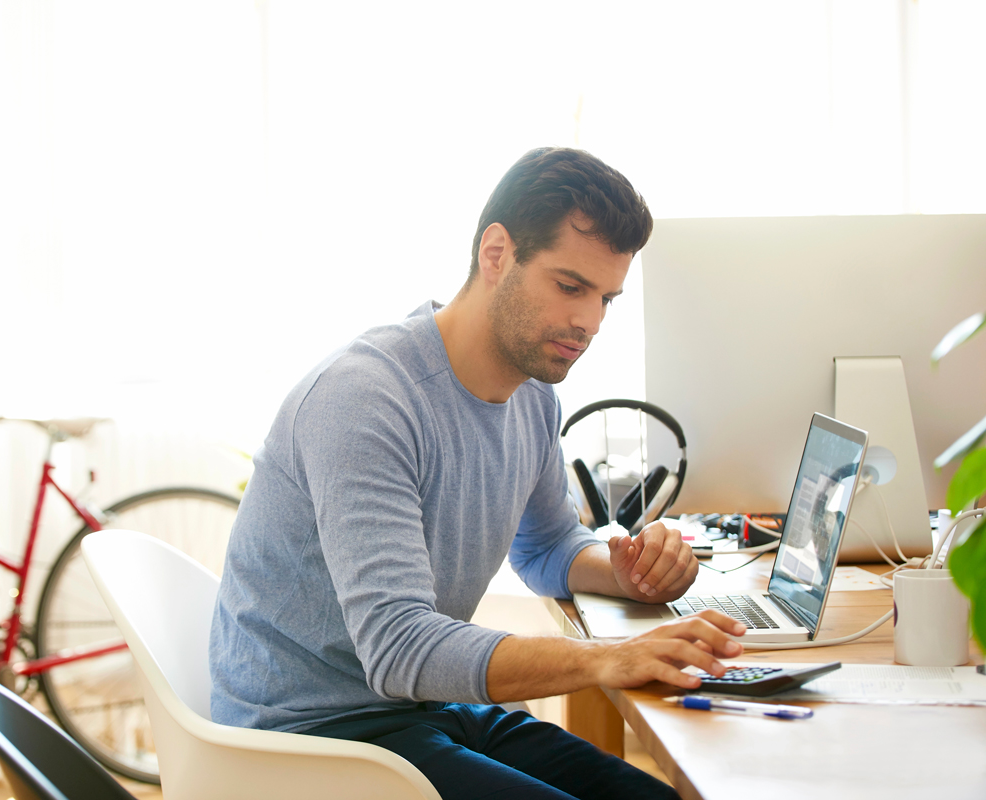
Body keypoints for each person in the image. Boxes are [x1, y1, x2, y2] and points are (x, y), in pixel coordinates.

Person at [210, 147, 746, 800]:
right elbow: (400, 648)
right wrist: (606, 657)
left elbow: (547, 546)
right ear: (497, 253)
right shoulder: (366, 399)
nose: (589, 322)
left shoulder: (533, 395)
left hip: (420, 711)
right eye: (570, 286)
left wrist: (625, 570)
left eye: (606, 297)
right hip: (315, 740)